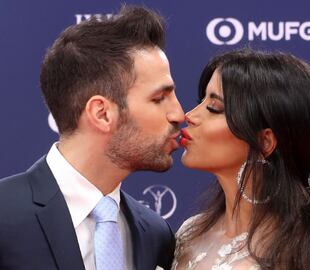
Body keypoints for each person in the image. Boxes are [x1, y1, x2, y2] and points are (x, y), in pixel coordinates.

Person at [0, 5, 184, 270]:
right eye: (159, 99)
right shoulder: (4, 214)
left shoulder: (156, 236)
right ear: (102, 113)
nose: (179, 114)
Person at [173, 49, 310, 270]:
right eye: (201, 100)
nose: (190, 115)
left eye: (214, 108)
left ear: (265, 142)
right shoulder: (189, 235)